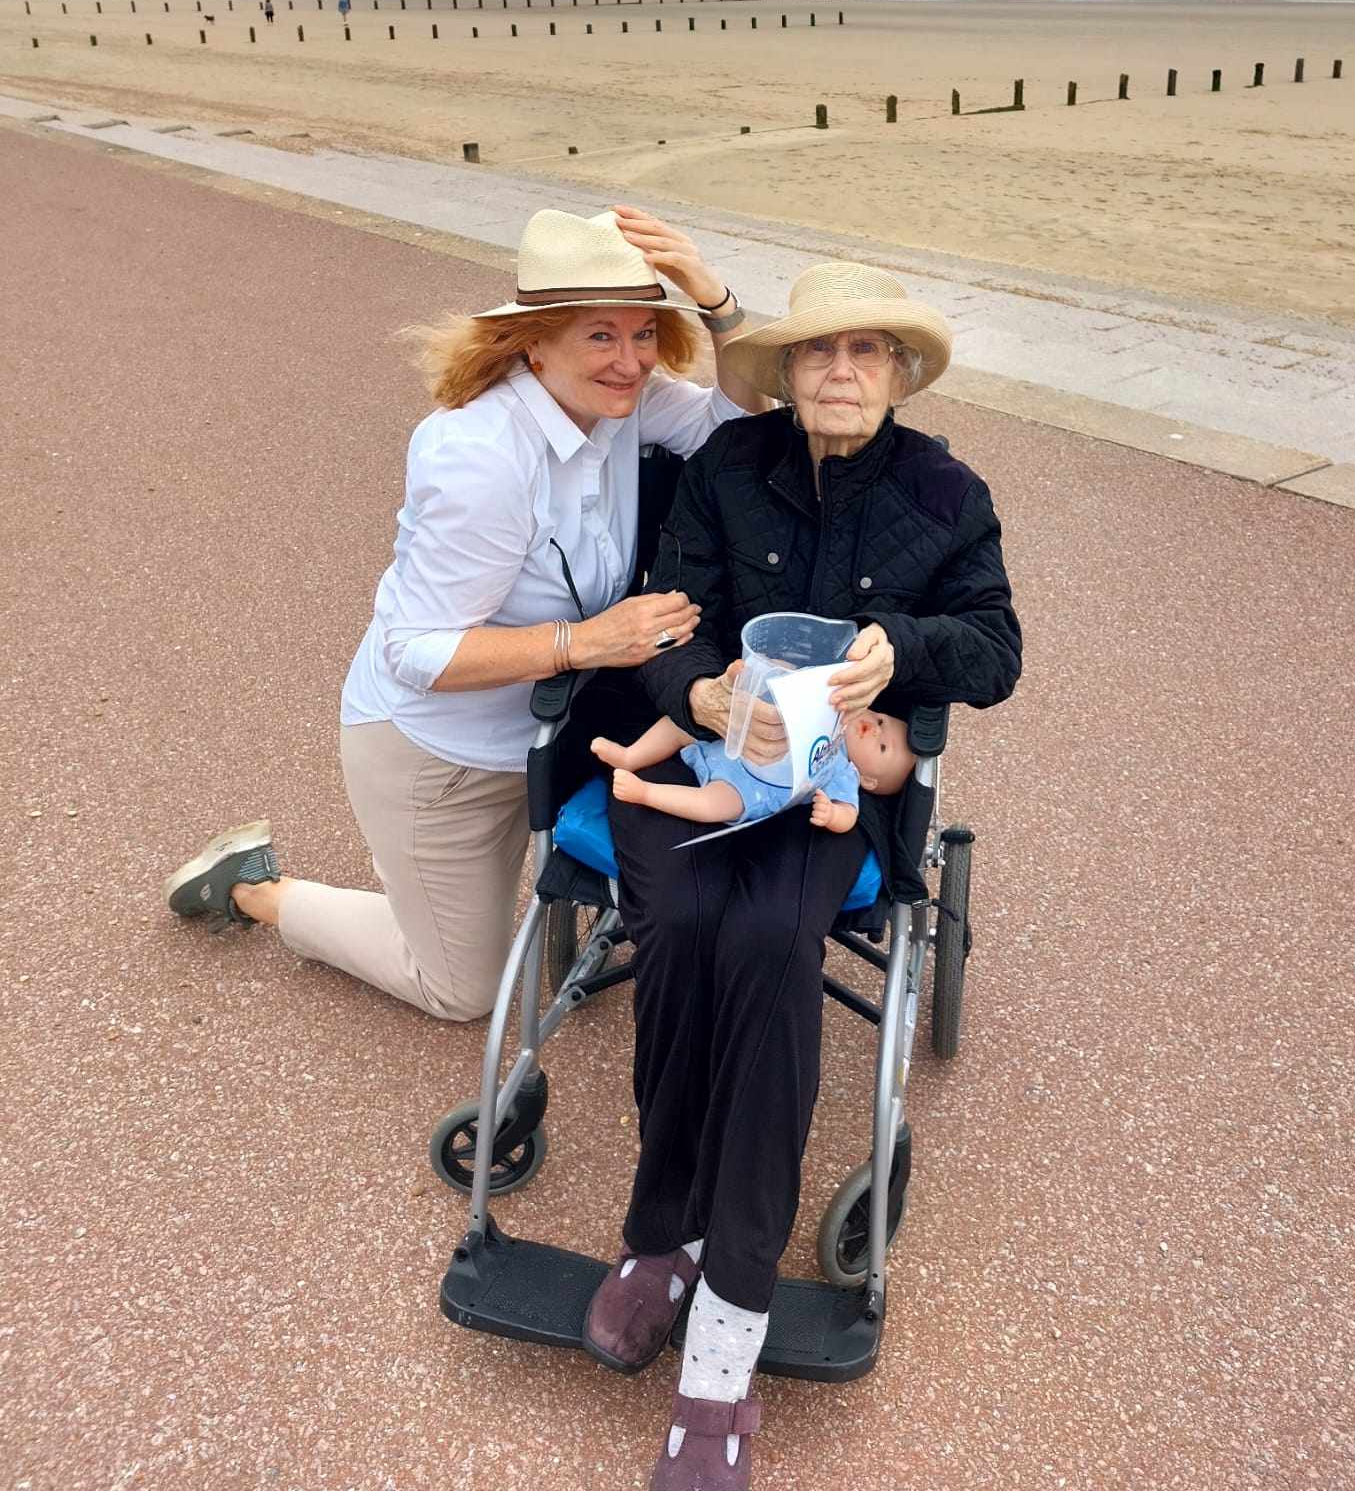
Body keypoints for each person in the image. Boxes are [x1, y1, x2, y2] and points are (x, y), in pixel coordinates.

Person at [581, 260, 1022, 1490]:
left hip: (835, 787)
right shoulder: (730, 469)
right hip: (725, 759)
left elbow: (995, 652)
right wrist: (707, 691)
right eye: (821, 352)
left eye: (867, 352)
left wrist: (910, 645)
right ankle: (658, 1233)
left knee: (773, 945)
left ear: (897, 374)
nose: (840, 370)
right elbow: (670, 612)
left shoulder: (946, 491)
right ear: (783, 373)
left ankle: (723, 1342)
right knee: (673, 921)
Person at [162, 207, 764, 1021]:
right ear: (535, 342)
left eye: (645, 333)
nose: (629, 361)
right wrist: (585, 641)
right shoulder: (480, 455)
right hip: (440, 755)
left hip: (550, 724)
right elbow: (417, 652)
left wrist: (719, 304)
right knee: (459, 989)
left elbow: (740, 430)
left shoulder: (621, 403)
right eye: (600, 336)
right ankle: (255, 889)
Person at [591, 704, 916, 833]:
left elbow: (849, 814)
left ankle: (646, 792)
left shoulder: (844, 771)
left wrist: (832, 815)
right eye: (880, 720)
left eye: (882, 746)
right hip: (729, 737)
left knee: (712, 805)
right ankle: (630, 755)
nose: (875, 728)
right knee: (680, 722)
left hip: (750, 788)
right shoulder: (833, 710)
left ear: (869, 781)